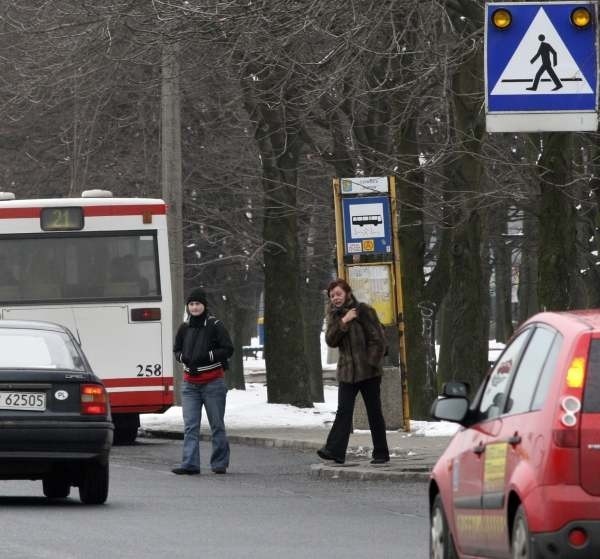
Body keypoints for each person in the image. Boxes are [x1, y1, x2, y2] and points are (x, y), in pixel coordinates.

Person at [317, 278, 390, 465]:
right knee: (344, 411)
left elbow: (378, 339)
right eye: (332, 295)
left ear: (347, 293)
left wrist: (370, 362)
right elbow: (331, 340)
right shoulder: (334, 316)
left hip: (369, 373)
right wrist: (344, 321)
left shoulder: (363, 310)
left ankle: (381, 453)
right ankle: (335, 451)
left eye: (338, 294)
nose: (335, 298)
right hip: (347, 373)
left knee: (374, 411)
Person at [171, 287, 234, 475]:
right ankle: (190, 464)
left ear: (204, 306)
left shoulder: (215, 325)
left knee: (216, 425)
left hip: (212, 383)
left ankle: (219, 463)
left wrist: (208, 356)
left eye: (198, 304)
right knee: (190, 426)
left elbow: (228, 349)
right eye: (191, 304)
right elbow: (177, 350)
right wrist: (183, 358)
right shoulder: (184, 327)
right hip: (190, 385)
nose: (194, 307)